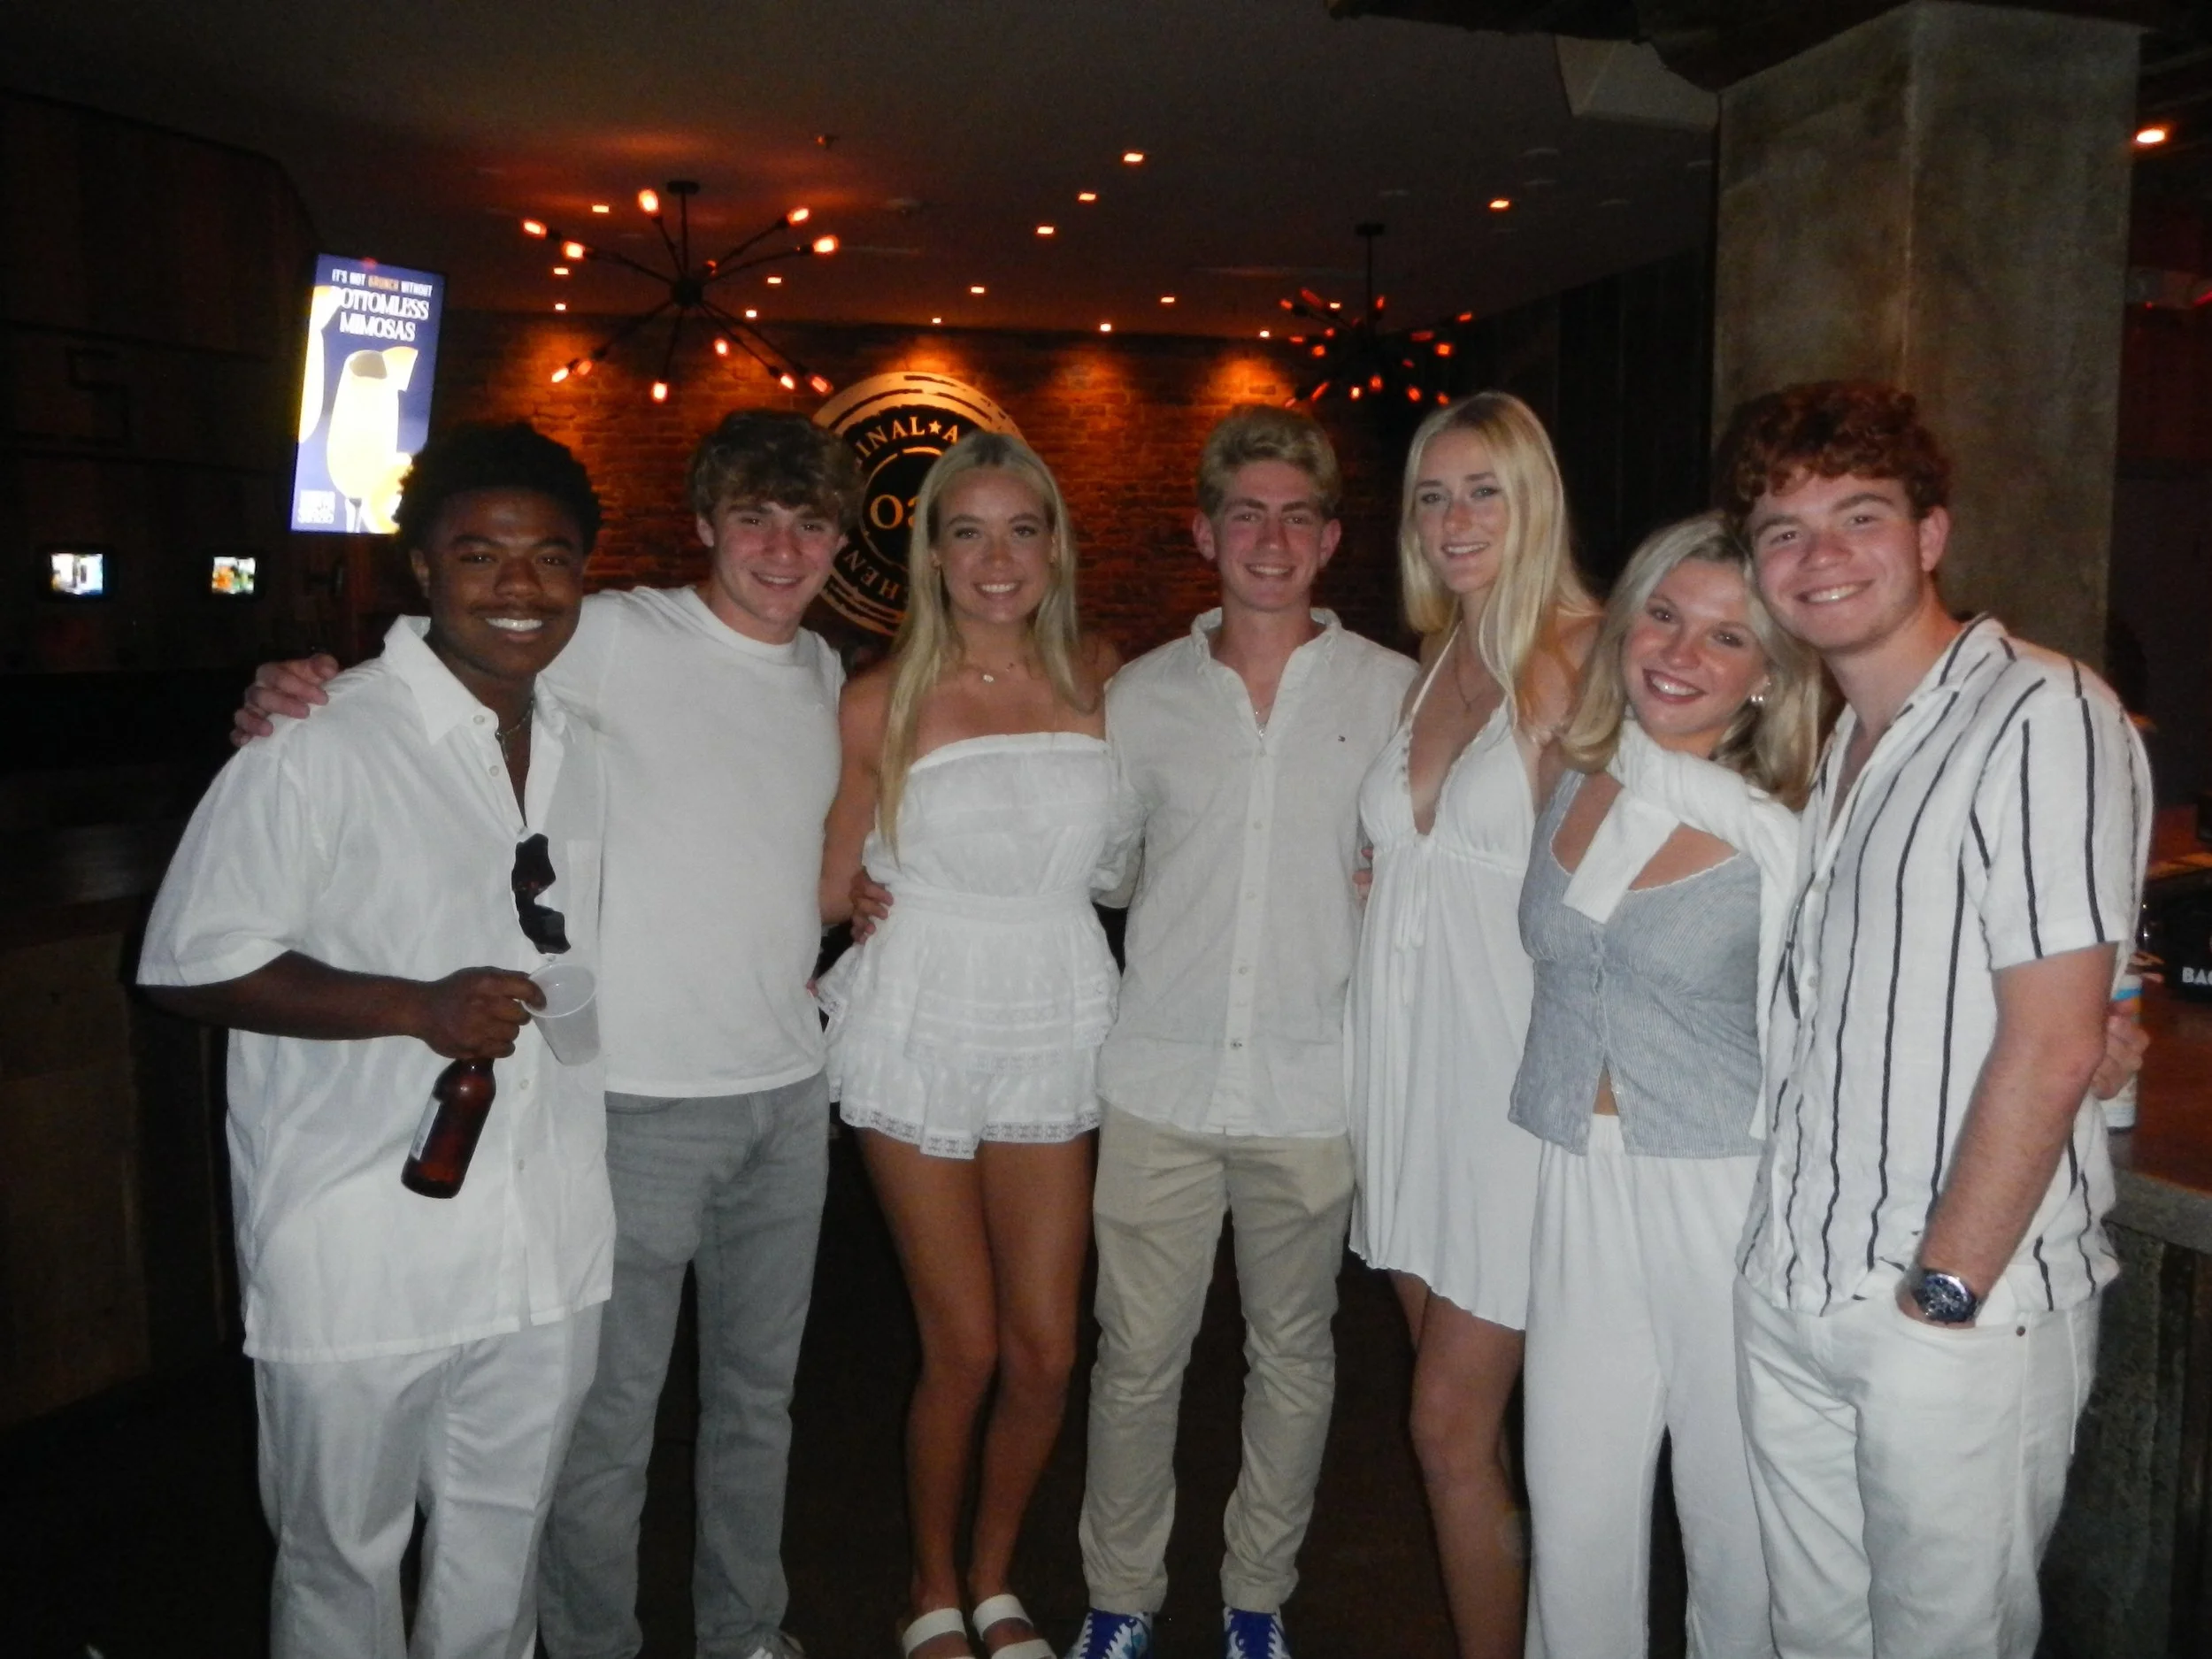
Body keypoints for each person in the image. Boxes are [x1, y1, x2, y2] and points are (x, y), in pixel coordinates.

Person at [234, 410, 864, 1659]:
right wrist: (289, 685)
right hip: (633, 1100)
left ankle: (746, 1629)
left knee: (758, 1403)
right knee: (604, 1425)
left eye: (810, 523)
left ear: (842, 539)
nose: (782, 548)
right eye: (754, 518)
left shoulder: (824, 671)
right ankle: (596, 1643)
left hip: (789, 1094)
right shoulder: (617, 633)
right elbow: (441, 667)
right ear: (704, 525)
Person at [142, 423, 614, 1659]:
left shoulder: (583, 746)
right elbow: (191, 959)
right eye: (480, 554)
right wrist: (413, 1004)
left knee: (498, 1553)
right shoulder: (318, 739)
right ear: (423, 569)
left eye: (550, 557)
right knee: (342, 1555)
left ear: (585, 575)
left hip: (542, 1236)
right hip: (362, 1234)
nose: (518, 587)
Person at [1719, 381, 2152, 1659]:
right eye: (1783, 530)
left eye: (1859, 515)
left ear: (1931, 534)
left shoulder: (2041, 712)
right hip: (1795, 1275)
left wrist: (1943, 1295)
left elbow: (2059, 1035)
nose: (1821, 554)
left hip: (1950, 1301)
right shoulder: (1836, 744)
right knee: (1814, 1636)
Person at [1063, 407, 1416, 1659]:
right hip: (1157, 1072)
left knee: (1295, 1356)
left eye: (1297, 515)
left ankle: (1256, 1595)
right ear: (1206, 532)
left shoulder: (1398, 694)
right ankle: (1122, 1597)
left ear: (1329, 539)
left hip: (1313, 1084)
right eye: (1247, 514)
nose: (1271, 538)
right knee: (1134, 1361)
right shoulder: (1139, 695)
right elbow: (1102, 869)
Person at [816, 431, 1124, 1659]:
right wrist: (856, 900)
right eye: (967, 531)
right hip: (921, 1011)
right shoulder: (877, 698)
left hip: (1055, 1000)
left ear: (1054, 546)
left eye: (1022, 529)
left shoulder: (1107, 677)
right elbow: (831, 882)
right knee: (968, 1341)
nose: (997, 558)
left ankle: (997, 1583)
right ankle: (930, 1586)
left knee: (1049, 1347)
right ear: (931, 553)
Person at [1512, 512, 1820, 1658]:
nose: (1683, 653)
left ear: (1766, 677)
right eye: (1666, 614)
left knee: (1735, 1513)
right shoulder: (1573, 777)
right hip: (1571, 1169)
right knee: (1574, 1502)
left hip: (1721, 1186)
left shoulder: (1785, 830)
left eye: (1729, 638)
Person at [1343, 391, 1600, 1659]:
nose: (1453, 519)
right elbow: (1419, 861)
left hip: (1513, 1092)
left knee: (1450, 1425)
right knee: (1465, 1438)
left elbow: (1628, 897)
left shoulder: (1578, 652)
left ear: (1535, 499)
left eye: (1483, 490)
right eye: (1433, 496)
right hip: (1405, 1082)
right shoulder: (1439, 656)